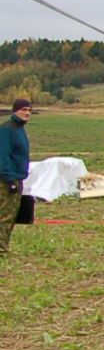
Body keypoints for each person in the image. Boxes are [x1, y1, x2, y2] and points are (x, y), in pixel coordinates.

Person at [1, 98, 29, 258]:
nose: (27, 113)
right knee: (4, 215)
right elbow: (3, 156)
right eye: (23, 109)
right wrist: (9, 179)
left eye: (29, 110)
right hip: (6, 180)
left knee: (12, 215)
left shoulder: (20, 129)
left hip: (18, 178)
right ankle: (1, 249)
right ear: (15, 111)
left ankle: (4, 245)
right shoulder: (7, 130)